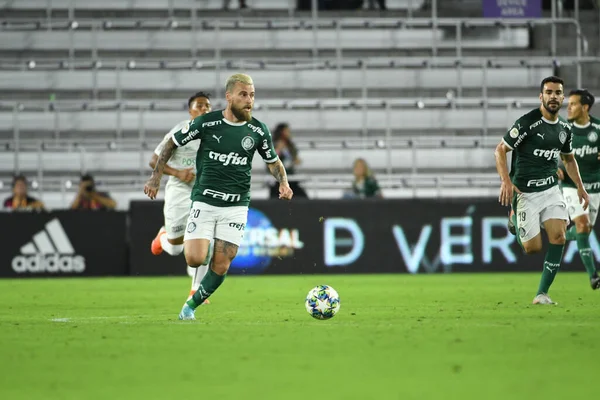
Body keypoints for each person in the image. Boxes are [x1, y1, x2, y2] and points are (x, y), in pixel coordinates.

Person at [144, 73, 293, 320]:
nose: (249, 100)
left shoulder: (258, 130)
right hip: (204, 200)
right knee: (194, 259)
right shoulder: (207, 123)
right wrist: (155, 178)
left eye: (252, 95)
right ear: (229, 96)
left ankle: (190, 306)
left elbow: (273, 162)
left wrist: (284, 183)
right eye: (243, 94)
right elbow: (171, 143)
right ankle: (181, 241)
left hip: (236, 206)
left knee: (222, 264)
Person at [495, 76, 589, 305]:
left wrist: (580, 187)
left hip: (550, 189)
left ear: (563, 97)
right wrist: (506, 181)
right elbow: (500, 150)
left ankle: (542, 293)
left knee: (559, 236)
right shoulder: (528, 122)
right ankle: (514, 218)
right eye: (549, 92)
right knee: (532, 248)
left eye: (558, 93)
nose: (553, 96)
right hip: (525, 193)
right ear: (541, 96)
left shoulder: (565, 129)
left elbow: (568, 160)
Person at [149, 91, 214, 304]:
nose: (204, 109)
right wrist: (177, 173)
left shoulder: (216, 133)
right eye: (199, 106)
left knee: (206, 239)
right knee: (176, 247)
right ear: (190, 111)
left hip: (203, 193)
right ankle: (162, 237)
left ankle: (196, 290)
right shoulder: (181, 131)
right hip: (179, 191)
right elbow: (154, 160)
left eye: (207, 106)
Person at [556, 89, 600, 289]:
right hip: (571, 187)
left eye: (573, 104)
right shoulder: (564, 130)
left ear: (585, 107)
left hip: (595, 189)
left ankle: (561, 234)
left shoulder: (598, 129)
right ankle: (594, 275)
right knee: (582, 225)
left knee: (584, 230)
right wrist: (553, 168)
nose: (569, 108)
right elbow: (548, 153)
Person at [268, 123, 308, 199]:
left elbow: (296, 159)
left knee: (302, 197)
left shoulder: (290, 146)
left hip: (290, 176)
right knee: (275, 199)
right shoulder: (274, 144)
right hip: (277, 179)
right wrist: (278, 150)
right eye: (287, 131)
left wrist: (295, 159)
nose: (289, 133)